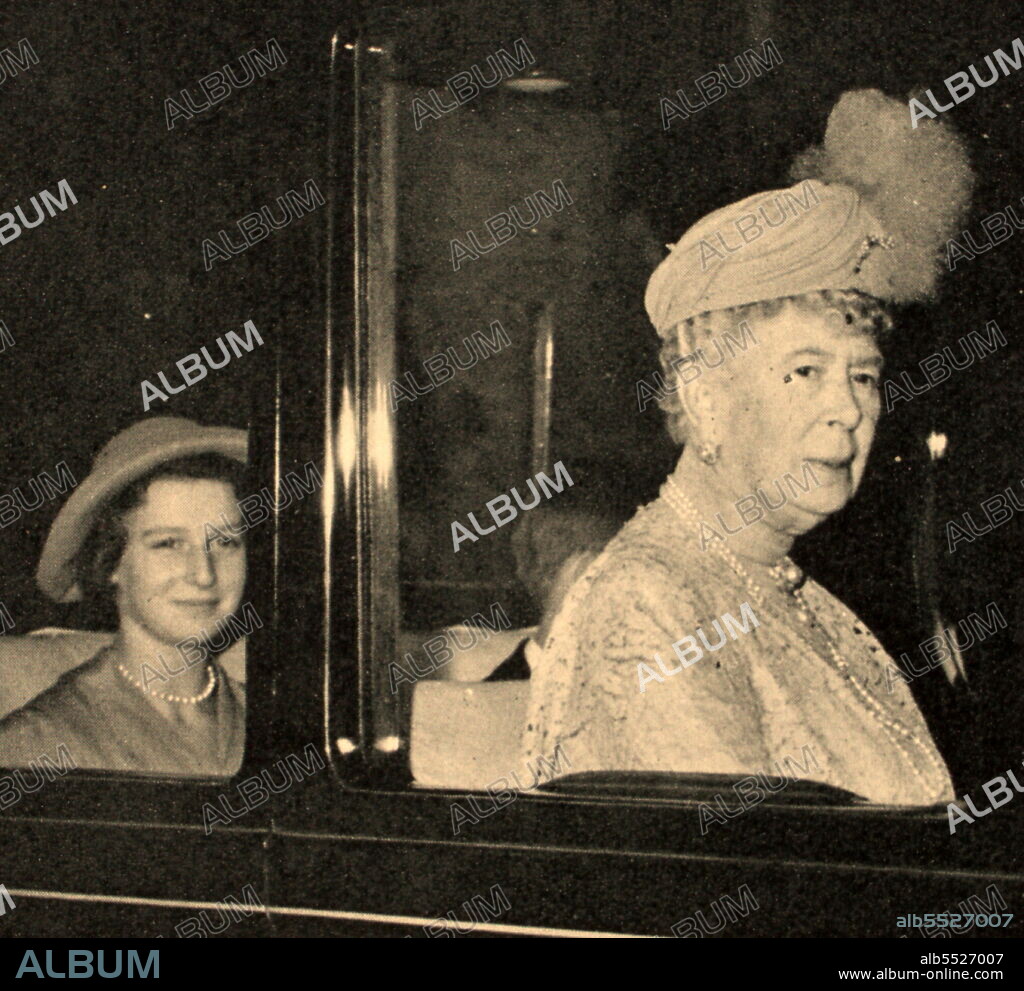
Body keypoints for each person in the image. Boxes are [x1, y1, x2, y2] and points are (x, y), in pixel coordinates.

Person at [522, 90, 974, 805]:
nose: (848, 408)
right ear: (705, 397)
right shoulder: (647, 603)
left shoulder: (799, 596)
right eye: (806, 372)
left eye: (863, 375)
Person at [0, 417, 248, 776]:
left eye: (225, 541)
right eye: (169, 543)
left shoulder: (277, 726)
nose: (204, 574)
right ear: (110, 561)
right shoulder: (38, 745)